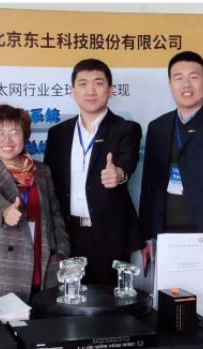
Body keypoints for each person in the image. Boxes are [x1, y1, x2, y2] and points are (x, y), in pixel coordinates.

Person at [139, 50, 203, 273]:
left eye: (194, 77)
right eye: (179, 78)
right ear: (170, 85)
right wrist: (147, 236)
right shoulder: (157, 127)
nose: (186, 84)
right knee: (171, 295)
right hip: (167, 236)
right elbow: (149, 188)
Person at [44, 58, 143, 285]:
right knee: (70, 299)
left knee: (112, 301)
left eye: (98, 83)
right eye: (83, 84)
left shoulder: (126, 129)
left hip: (111, 236)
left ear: (111, 89)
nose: (91, 91)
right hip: (68, 236)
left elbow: (127, 162)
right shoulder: (58, 133)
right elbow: (50, 184)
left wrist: (119, 174)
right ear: (72, 91)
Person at [0, 104, 70, 302]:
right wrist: (5, 210)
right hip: (3, 271)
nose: (7, 140)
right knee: (1, 322)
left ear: (25, 136)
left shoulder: (41, 171)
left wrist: (62, 252)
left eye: (14, 132)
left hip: (45, 266)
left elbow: (55, 214)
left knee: (44, 320)